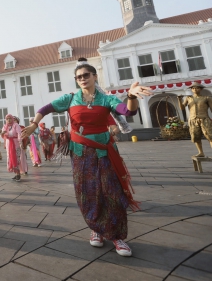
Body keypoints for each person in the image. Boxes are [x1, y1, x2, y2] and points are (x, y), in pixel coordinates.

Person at [21, 62, 152, 257]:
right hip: (81, 154)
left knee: (112, 192)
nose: (82, 78)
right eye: (79, 76)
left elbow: (128, 111)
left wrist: (131, 95)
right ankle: (97, 229)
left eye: (86, 75)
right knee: (88, 193)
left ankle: (117, 237)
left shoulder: (107, 99)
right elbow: (46, 107)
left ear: (94, 76)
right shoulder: (71, 99)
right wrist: (33, 124)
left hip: (105, 152)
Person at [177, 82, 212, 157]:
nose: (195, 89)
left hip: (204, 118)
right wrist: (179, 99)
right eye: (193, 88)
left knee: (210, 136)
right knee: (196, 137)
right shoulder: (189, 98)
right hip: (193, 120)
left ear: (201, 89)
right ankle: (201, 152)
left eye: (197, 88)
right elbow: (182, 108)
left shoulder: (206, 98)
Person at [1, 114, 22, 181]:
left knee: (16, 158)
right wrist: (2, 133)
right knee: (10, 158)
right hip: (8, 143)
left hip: (15, 143)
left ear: (12, 119)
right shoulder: (5, 126)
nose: (8, 120)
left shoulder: (16, 125)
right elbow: (3, 135)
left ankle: (18, 173)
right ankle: (15, 173)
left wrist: (20, 142)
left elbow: (19, 133)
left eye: (10, 118)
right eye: (7, 119)